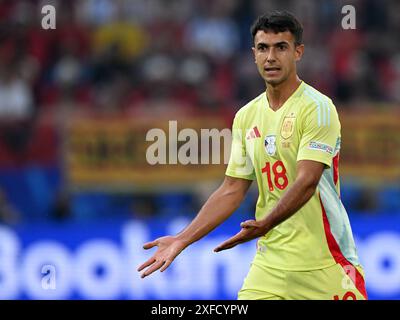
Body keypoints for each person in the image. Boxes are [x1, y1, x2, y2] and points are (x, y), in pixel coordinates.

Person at [138, 11, 367, 300]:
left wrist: (266, 223)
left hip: (327, 264)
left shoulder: (318, 108)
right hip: (269, 266)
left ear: (298, 52)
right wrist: (183, 239)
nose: (271, 57)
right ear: (253, 55)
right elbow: (232, 189)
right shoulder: (246, 116)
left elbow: (307, 181)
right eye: (263, 48)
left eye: (280, 47)